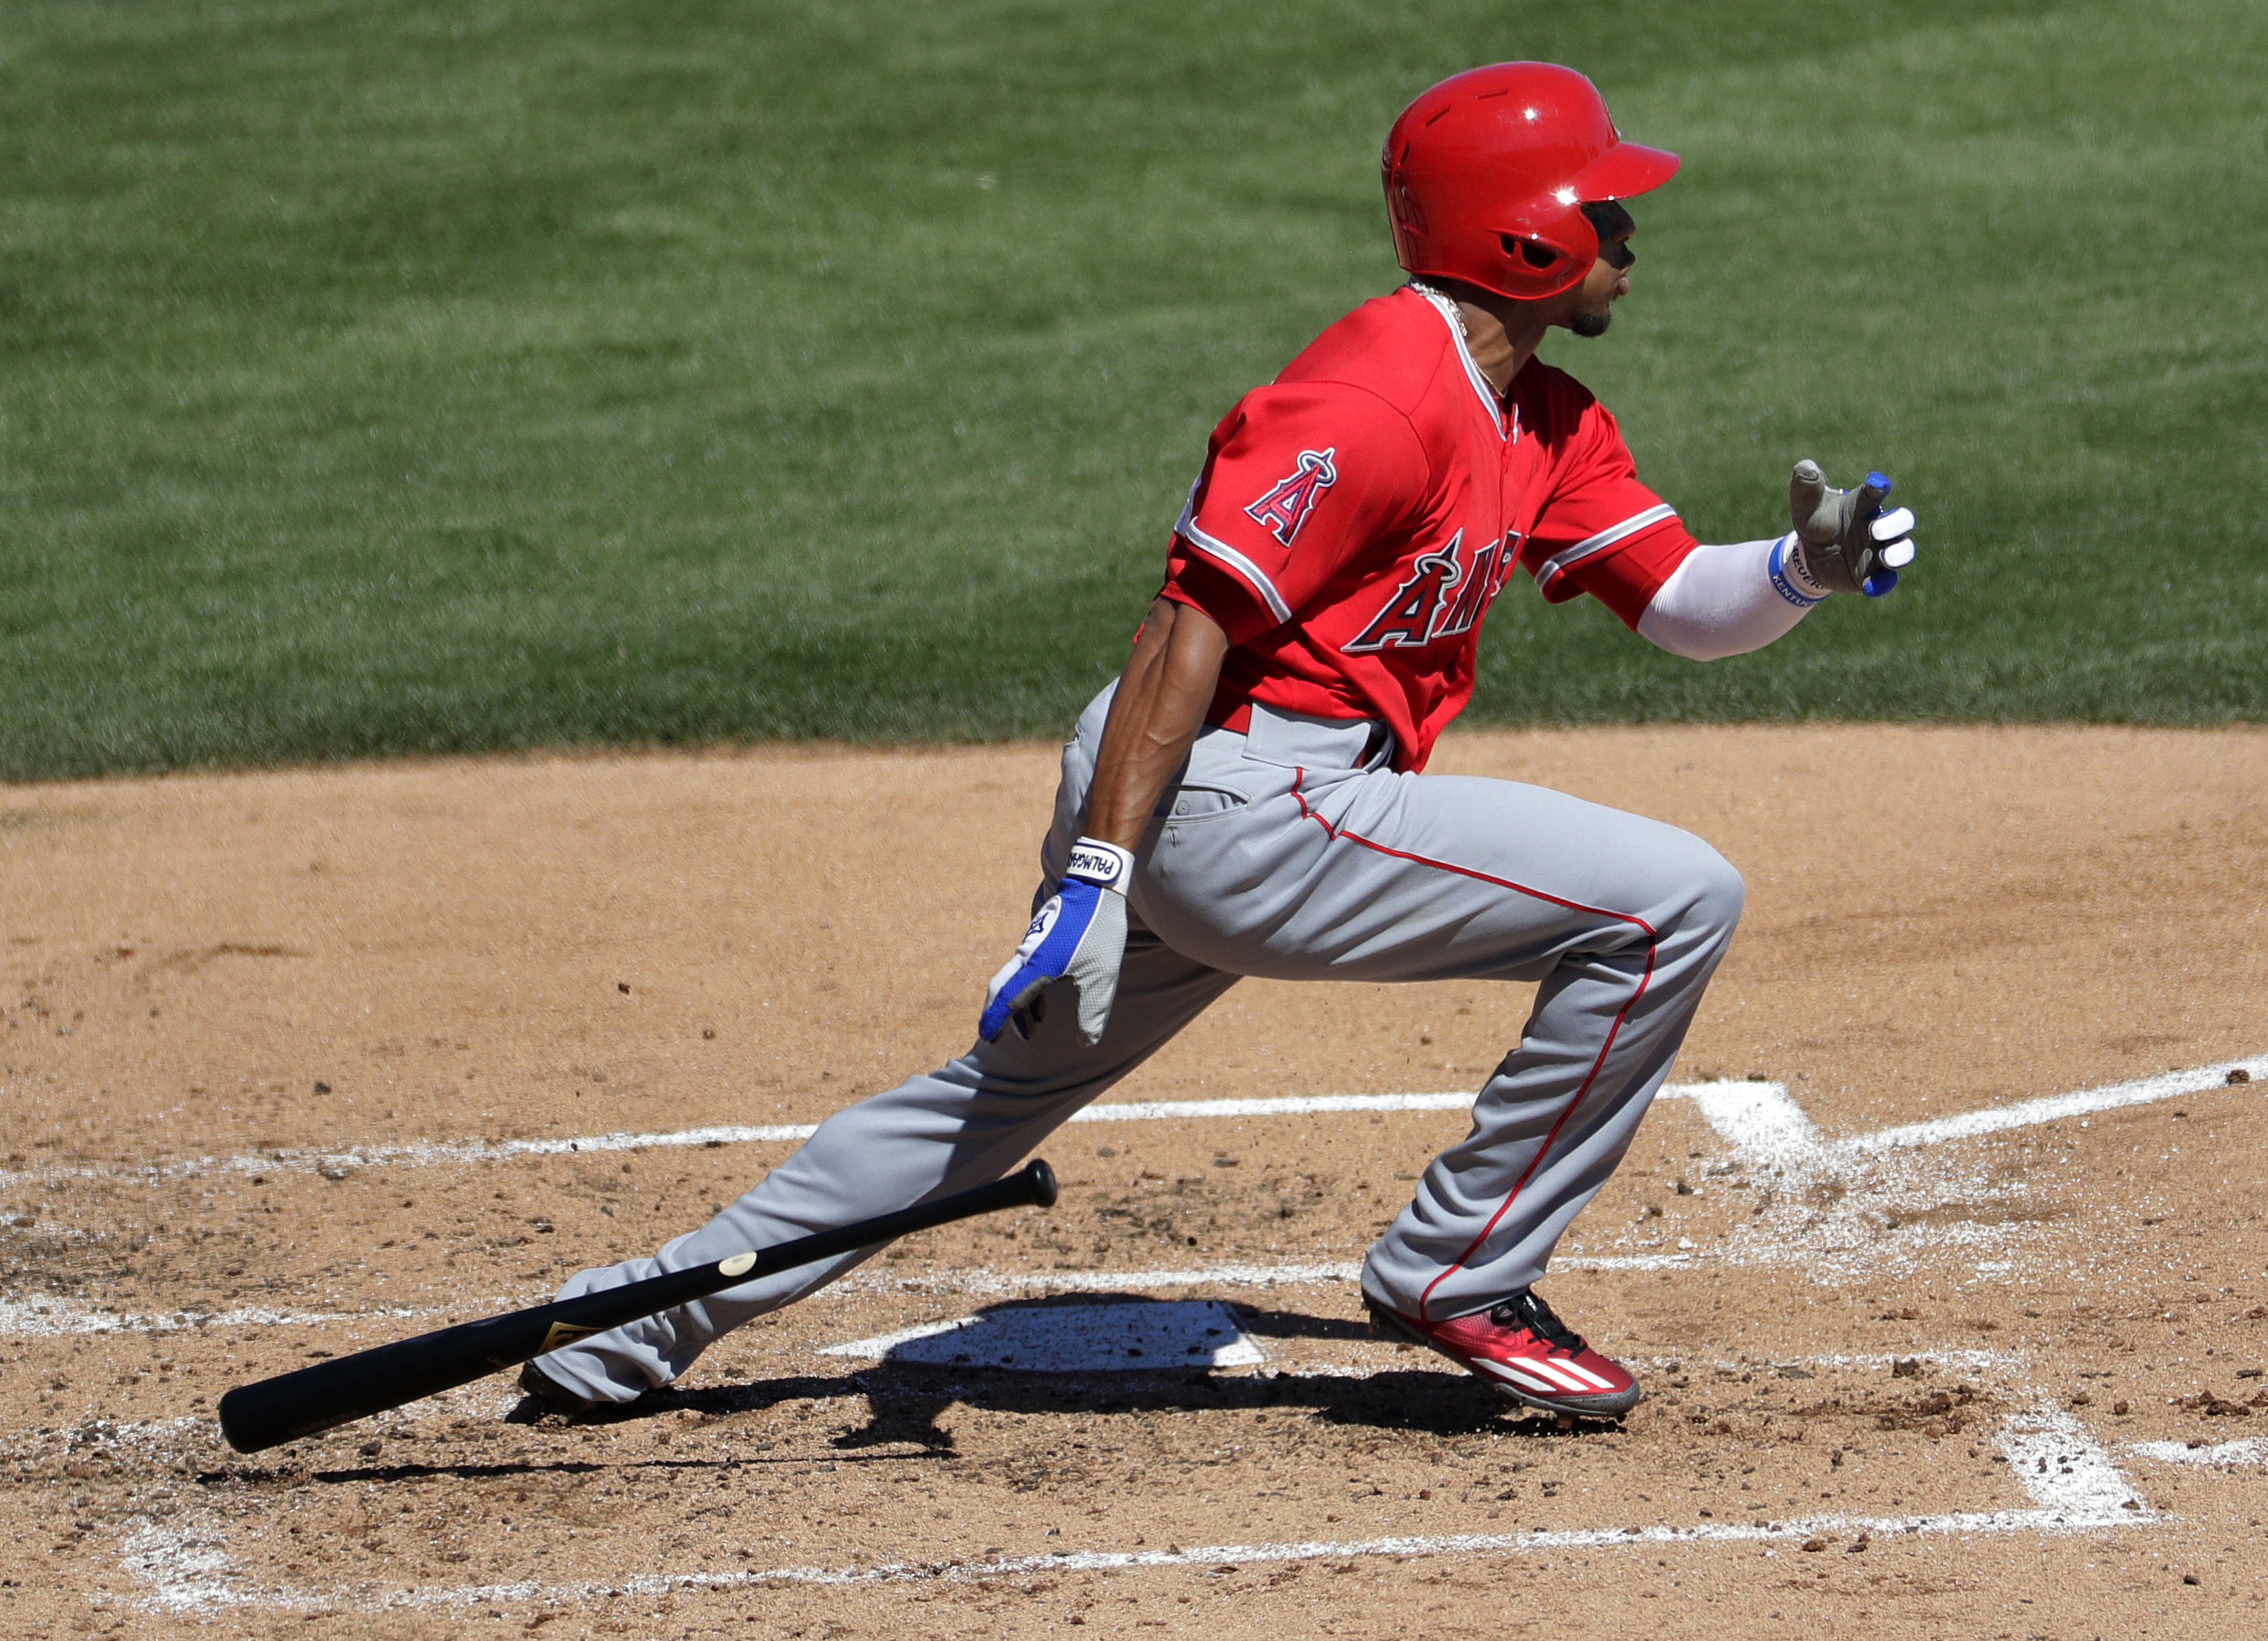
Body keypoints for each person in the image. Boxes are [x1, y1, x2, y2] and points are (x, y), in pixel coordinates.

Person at [519, 62, 1917, 1421]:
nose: (1627, 232)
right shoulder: (1380, 395)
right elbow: (1184, 625)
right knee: (1672, 901)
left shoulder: (1541, 412)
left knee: (989, 1104)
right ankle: (1461, 1264)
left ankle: (631, 1320)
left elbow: (1677, 604)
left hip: (1219, 799)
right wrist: (1099, 878)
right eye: (1599, 204)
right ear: (1523, 230)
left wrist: (1801, 566)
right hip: (1222, 794)